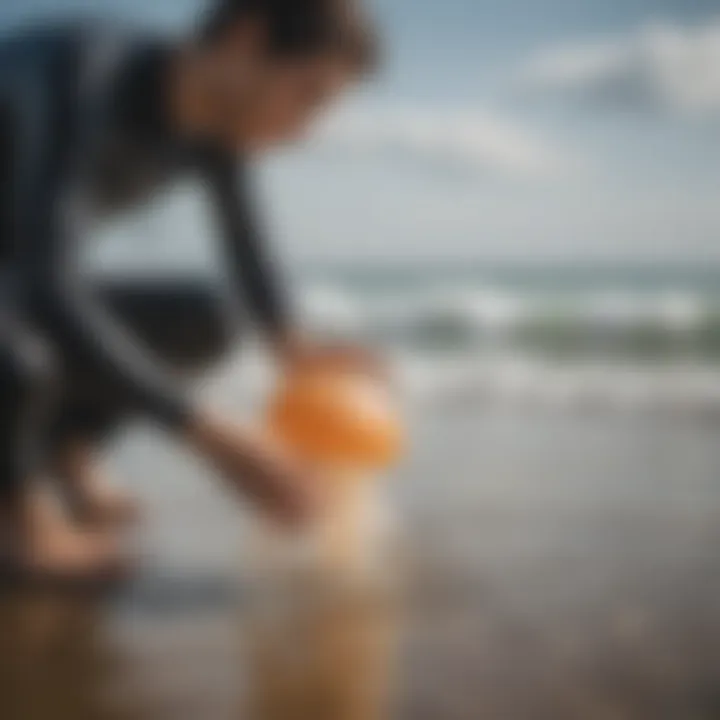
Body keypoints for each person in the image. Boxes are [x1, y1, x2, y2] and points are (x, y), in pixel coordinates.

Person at [0, 0, 379, 582]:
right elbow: (49, 282)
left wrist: (296, 350)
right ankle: (18, 520)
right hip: (24, 286)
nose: (305, 132)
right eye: (308, 96)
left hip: (17, 280)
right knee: (21, 350)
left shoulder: (214, 131)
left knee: (205, 319)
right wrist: (212, 437)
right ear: (247, 40)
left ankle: (64, 451)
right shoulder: (83, 77)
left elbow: (247, 249)